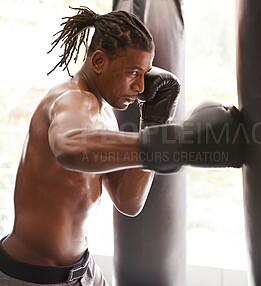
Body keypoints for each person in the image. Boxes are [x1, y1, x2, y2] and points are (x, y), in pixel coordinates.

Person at [0, 6, 244, 286]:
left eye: (145, 74)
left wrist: (154, 123)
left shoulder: (104, 115)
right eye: (133, 72)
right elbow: (69, 148)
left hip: (84, 272)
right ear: (100, 62)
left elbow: (129, 201)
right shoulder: (72, 100)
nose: (141, 86)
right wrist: (174, 143)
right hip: (31, 278)